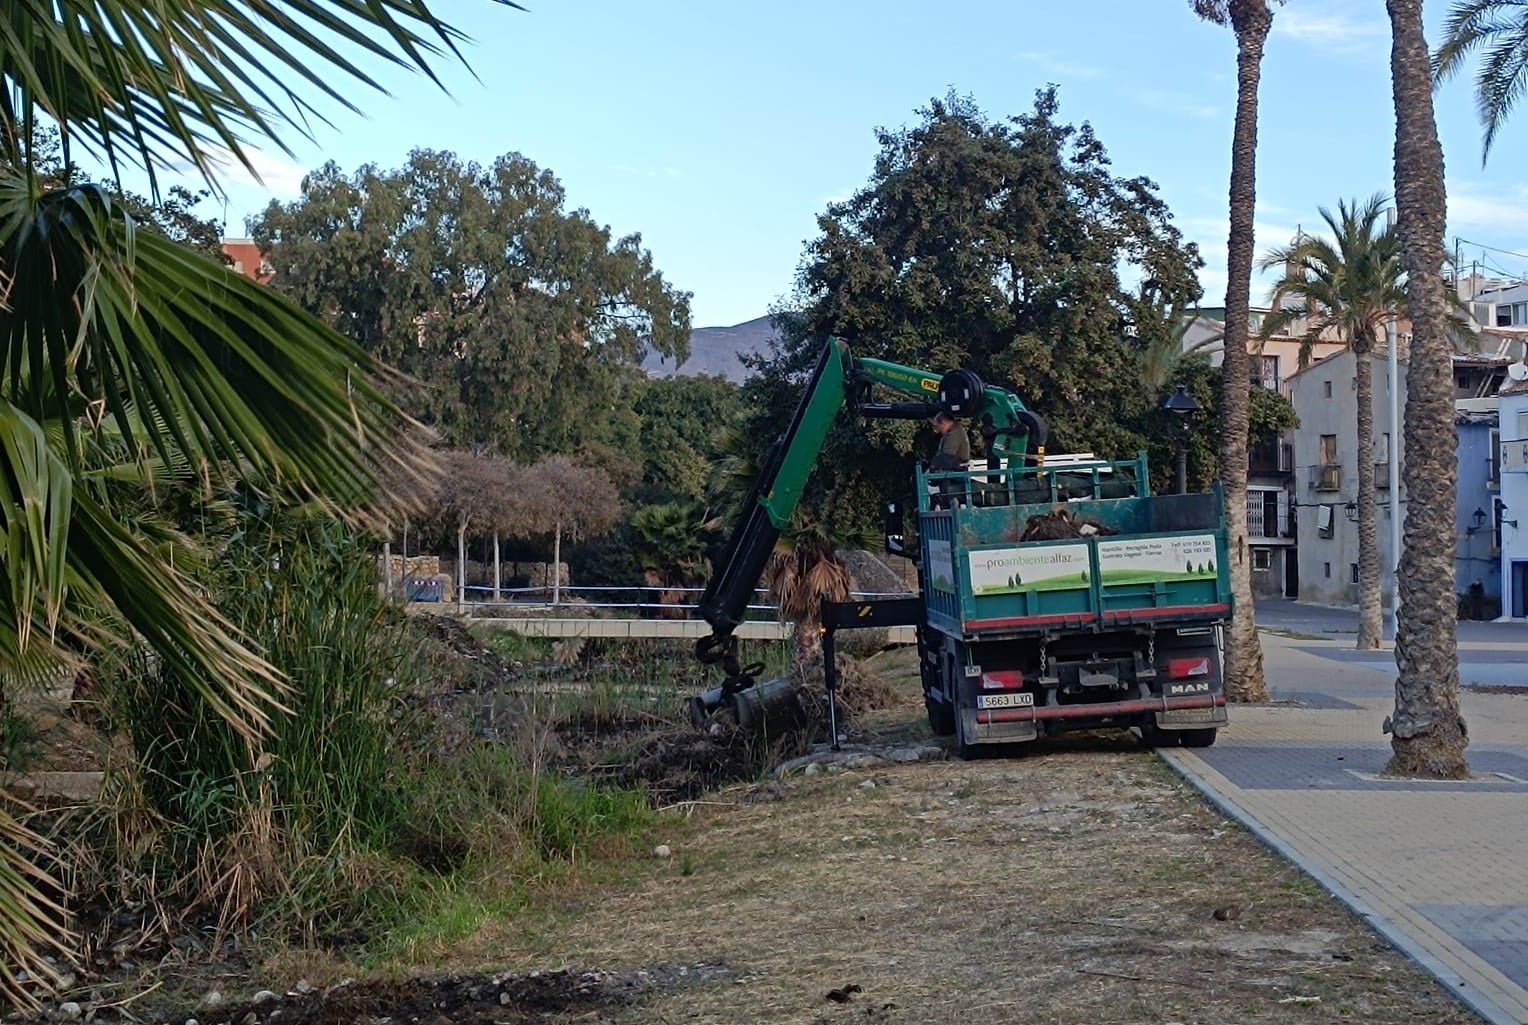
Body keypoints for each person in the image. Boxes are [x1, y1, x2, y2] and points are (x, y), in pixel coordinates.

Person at [928, 411, 970, 508]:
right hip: (953, 469)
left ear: (944, 423)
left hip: (954, 471)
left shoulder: (954, 434)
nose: (938, 430)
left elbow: (947, 455)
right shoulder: (954, 432)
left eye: (938, 426)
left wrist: (933, 466)